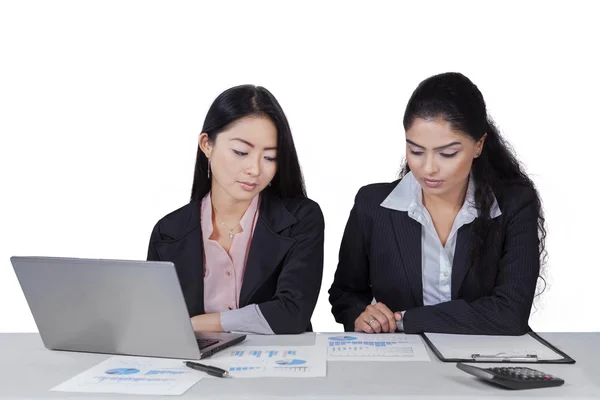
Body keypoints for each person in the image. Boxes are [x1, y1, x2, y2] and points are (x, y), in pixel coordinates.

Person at [329, 72, 546, 335]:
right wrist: (361, 316)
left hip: (487, 363)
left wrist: (404, 321)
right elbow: (345, 294)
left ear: (479, 145)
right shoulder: (373, 205)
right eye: (416, 151)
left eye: (447, 153)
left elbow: (510, 314)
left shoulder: (515, 204)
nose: (428, 168)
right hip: (400, 363)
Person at [147, 85, 324, 334]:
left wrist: (195, 325)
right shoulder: (168, 232)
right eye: (241, 152)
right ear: (207, 144)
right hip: (193, 368)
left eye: (270, 157)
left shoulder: (301, 220)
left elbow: (291, 313)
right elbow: (157, 324)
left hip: (279, 365)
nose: (254, 168)